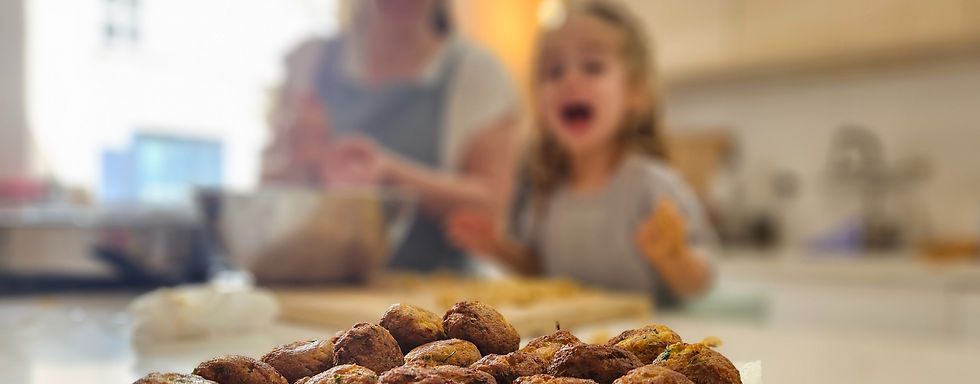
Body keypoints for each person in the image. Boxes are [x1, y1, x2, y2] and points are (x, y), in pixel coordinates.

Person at [447, 0, 713, 304]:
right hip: (574, 345)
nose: (570, 80)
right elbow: (540, 270)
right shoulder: (548, 194)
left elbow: (701, 280)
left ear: (635, 92)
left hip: (652, 344)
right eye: (554, 71)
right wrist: (499, 248)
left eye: (593, 66)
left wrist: (675, 257)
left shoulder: (652, 187)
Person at [262, 0, 520, 272]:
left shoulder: (476, 73)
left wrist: (390, 173)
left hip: (435, 290)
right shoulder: (310, 62)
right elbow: (268, 189)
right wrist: (302, 162)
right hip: (319, 283)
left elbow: (492, 207)